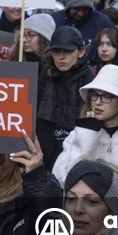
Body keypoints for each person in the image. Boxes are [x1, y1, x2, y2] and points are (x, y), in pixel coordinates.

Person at [52, 65, 118, 216]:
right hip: (83, 230)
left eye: (107, 96)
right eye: (94, 95)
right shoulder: (77, 136)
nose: (98, 102)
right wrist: (86, 138)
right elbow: (61, 181)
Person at [36, 26, 92, 170]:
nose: (61, 57)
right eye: (56, 51)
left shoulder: (91, 85)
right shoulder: (42, 82)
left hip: (78, 159)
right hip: (45, 158)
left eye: (67, 51)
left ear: (81, 52)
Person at [51, 0, 114, 64]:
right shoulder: (54, 21)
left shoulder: (102, 22)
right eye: (76, 9)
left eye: (84, 9)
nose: (80, 13)